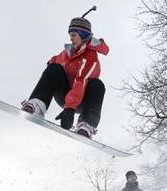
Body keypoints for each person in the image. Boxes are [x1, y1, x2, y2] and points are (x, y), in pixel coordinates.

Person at [21, 6, 109, 138]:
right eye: (70, 35)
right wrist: (50, 69)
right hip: (65, 95)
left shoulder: (91, 57)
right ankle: (37, 104)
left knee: (98, 85)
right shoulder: (68, 52)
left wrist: (70, 109)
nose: (71, 38)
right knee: (55, 68)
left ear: (83, 34)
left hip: (82, 100)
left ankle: (87, 124)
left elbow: (81, 81)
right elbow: (56, 60)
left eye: (73, 35)